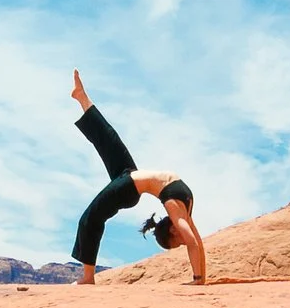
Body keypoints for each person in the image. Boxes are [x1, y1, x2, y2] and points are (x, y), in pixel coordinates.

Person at [68, 69, 206, 284]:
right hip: (130, 178)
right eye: (176, 242)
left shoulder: (180, 207)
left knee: (90, 218)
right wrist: (200, 279)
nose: (181, 242)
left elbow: (194, 242)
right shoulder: (178, 210)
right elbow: (193, 242)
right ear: (172, 229)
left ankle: (88, 278)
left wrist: (199, 279)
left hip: (131, 185)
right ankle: (81, 97)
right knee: (107, 138)